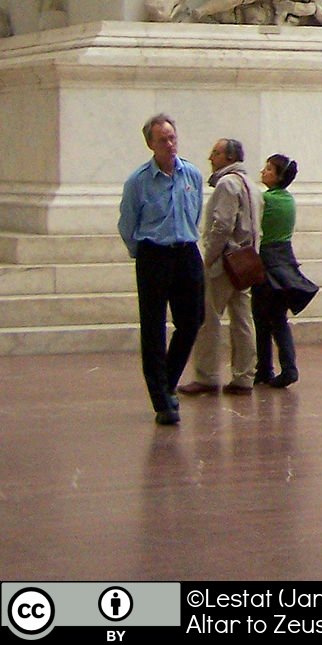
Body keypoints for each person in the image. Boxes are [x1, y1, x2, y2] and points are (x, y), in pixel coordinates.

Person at [116, 113, 206, 425]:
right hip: (154, 255)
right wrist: (141, 252)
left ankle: (167, 381)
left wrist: (185, 238)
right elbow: (127, 224)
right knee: (154, 327)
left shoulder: (191, 174)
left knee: (192, 320)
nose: (170, 144)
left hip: (186, 252)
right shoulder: (138, 181)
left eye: (172, 137)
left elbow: (196, 214)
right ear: (151, 145)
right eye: (163, 139)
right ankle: (161, 400)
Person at [184, 137, 262, 395]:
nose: (210, 157)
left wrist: (209, 256)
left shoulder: (228, 184)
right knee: (242, 319)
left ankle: (206, 375)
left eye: (215, 153)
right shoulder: (252, 185)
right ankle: (244, 375)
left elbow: (222, 225)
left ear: (229, 158)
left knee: (208, 318)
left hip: (225, 263)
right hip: (246, 262)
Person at [252, 154, 317, 389]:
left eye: (269, 169)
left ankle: (265, 368)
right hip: (285, 260)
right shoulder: (289, 200)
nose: (263, 171)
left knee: (261, 316)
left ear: (278, 177)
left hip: (267, 261)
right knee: (279, 317)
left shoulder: (265, 200)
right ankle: (287, 367)